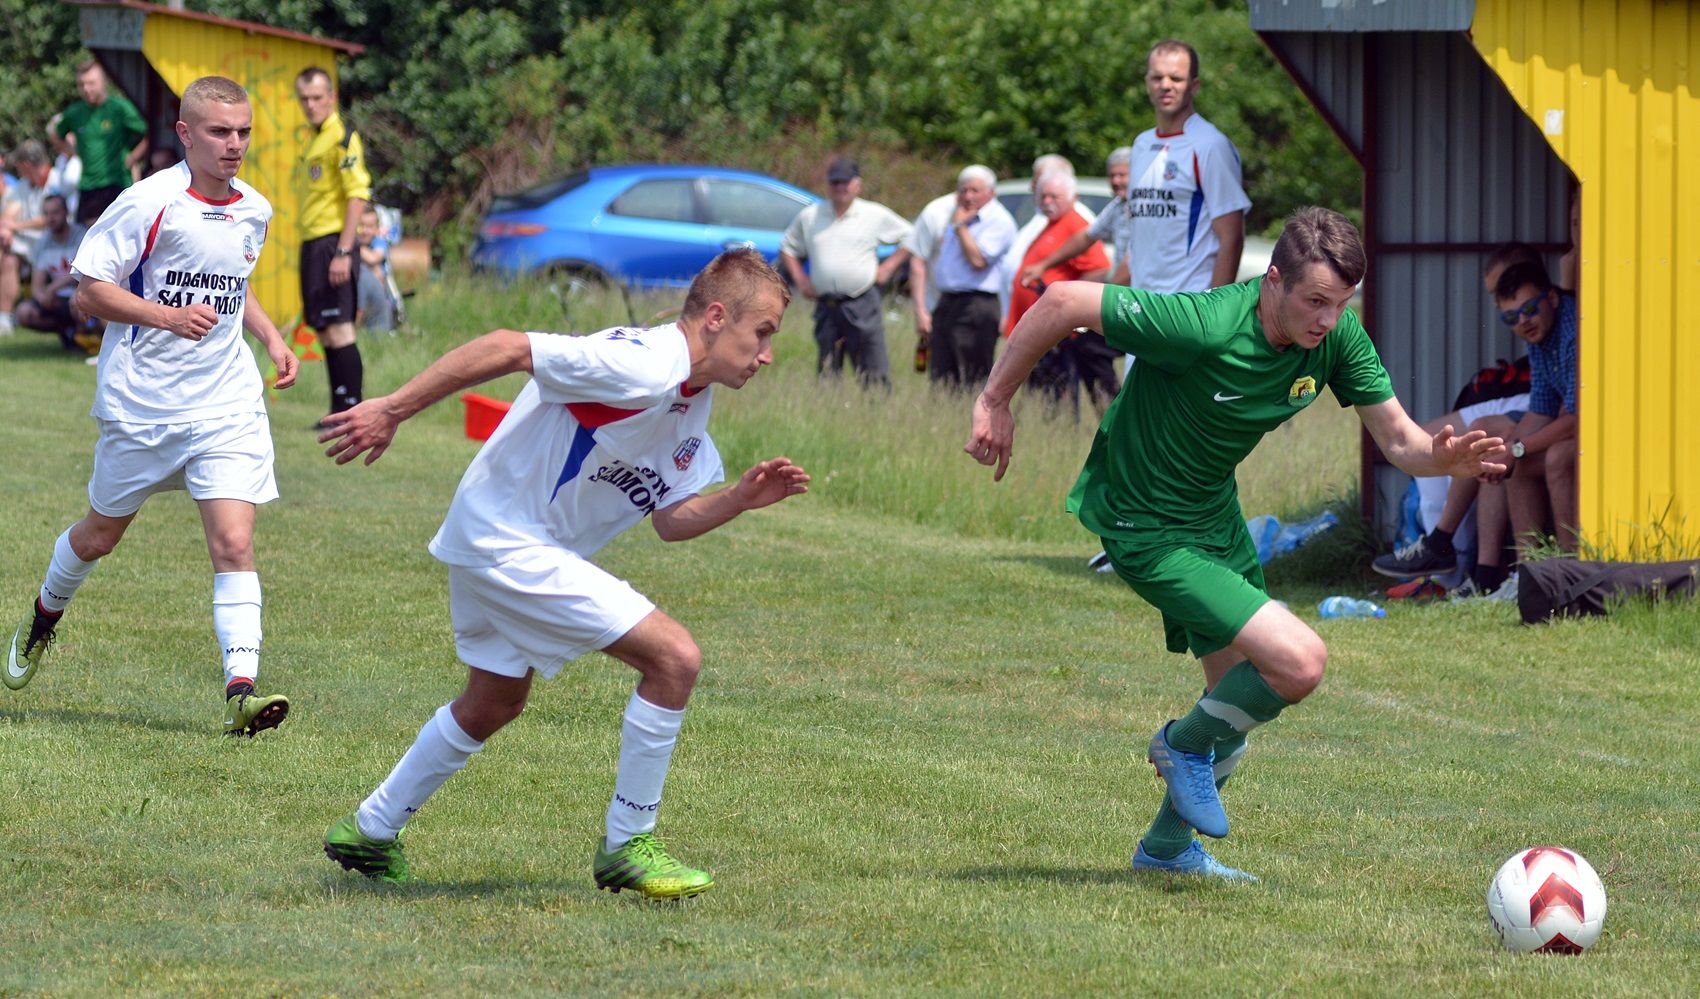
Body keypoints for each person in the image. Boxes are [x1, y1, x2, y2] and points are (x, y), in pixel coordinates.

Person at [963, 207, 1503, 881]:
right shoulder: (1207, 324)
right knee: (1300, 662)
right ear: (1271, 280)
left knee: (1234, 711)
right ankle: (1176, 745)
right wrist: (995, 400)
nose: (1326, 320)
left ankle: (1165, 850)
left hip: (1214, 520)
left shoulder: (1334, 336)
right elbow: (1065, 299)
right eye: (1313, 301)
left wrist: (1442, 459)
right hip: (1146, 524)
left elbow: (1400, 440)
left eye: (1339, 304)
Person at [317, 248, 811, 899]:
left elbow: (672, 517)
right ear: (717, 317)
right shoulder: (644, 362)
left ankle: (370, 830)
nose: (767, 353)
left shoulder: (689, 395)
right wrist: (393, 409)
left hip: (499, 537)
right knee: (675, 658)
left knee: (493, 701)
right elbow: (507, 345)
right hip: (507, 540)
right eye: (764, 332)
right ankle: (628, 842)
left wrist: (740, 499)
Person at [5, 77, 299, 738]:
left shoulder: (254, 207)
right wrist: (166, 317)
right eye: (221, 133)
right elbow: (87, 292)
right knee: (98, 536)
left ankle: (240, 691)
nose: (235, 146)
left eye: (244, 132)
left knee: (234, 541)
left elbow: (233, 285)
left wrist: (272, 337)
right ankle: (44, 615)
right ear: (186, 134)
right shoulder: (148, 203)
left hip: (227, 402)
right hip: (143, 406)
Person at [1373, 242, 1541, 596]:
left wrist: (1520, 445)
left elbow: (1563, 409)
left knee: (1479, 440)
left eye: (1508, 293)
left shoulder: (1559, 320)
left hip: (1544, 412)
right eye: (1505, 309)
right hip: (1531, 406)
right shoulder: (1539, 332)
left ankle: (1447, 555)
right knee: (1450, 443)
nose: (1512, 312)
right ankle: (1471, 572)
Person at [779, 156, 912, 386]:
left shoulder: (874, 214)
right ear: (828, 185)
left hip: (861, 301)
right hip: (827, 304)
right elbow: (788, 246)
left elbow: (912, 235)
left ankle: (876, 409)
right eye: (835, 182)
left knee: (873, 368)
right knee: (828, 369)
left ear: (857, 185)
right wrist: (800, 279)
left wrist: (889, 267)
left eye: (845, 182)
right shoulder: (811, 216)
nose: (840, 187)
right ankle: (830, 409)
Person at [295, 66, 373, 422]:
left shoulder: (342, 136)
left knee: (340, 326)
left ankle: (353, 408)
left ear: (332, 97)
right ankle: (337, 410)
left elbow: (357, 194)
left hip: (332, 243)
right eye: (304, 99)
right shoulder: (314, 137)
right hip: (313, 242)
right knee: (324, 329)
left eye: (317, 98)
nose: (310, 105)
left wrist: (344, 251)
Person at [1009, 170, 1116, 414]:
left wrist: (1072, 310)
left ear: (1072, 198)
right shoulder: (1050, 225)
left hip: (1063, 330)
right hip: (1044, 328)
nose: (1047, 202)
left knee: (1079, 389)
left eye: (1054, 197)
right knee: (1045, 394)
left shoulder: (1074, 224)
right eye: (1043, 196)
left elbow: (1099, 269)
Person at [905, 165, 1017, 388]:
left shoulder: (998, 221)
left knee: (972, 374)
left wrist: (960, 228)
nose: (968, 197)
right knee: (941, 372)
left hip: (977, 304)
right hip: (948, 301)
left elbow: (978, 261)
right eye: (963, 191)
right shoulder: (958, 216)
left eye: (975, 191)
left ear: (991, 193)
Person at [1019, 146, 1134, 290]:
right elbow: (1087, 236)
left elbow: (1134, 258)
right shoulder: (1117, 205)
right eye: (1112, 175)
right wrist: (1043, 265)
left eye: (1122, 175)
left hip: (1143, 295)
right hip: (1124, 293)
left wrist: (1106, 293)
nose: (1116, 181)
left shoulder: (1145, 207)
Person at [52, 61, 148, 226]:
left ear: (103, 82)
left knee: (122, 232)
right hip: (88, 185)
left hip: (117, 182)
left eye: (91, 83)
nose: (86, 89)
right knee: (86, 237)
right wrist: (72, 152)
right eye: (81, 84)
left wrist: (133, 157)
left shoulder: (119, 108)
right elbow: (55, 133)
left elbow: (147, 132)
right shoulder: (75, 112)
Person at [13, 194, 90, 351]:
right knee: (24, 312)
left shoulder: (81, 235)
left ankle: (87, 338)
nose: (50, 218)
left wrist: (52, 288)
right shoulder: (43, 243)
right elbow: (36, 286)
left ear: (66, 213)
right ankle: (66, 331)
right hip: (57, 299)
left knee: (77, 301)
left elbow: (81, 272)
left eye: (55, 212)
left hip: (81, 293)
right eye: (46, 214)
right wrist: (43, 298)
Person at [1, 141, 56, 336]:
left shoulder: (55, 180)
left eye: (18, 165)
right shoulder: (24, 185)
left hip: (54, 241)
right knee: (8, 258)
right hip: (28, 244)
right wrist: (6, 229)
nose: (16, 169)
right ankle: (4, 318)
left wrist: (15, 226)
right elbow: (10, 210)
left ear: (26, 165)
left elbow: (53, 217)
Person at [354, 206, 395, 333]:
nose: (365, 231)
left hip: (383, 299)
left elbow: (373, 258)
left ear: (377, 229)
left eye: (370, 227)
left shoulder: (378, 243)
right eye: (361, 226)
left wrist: (350, 245)